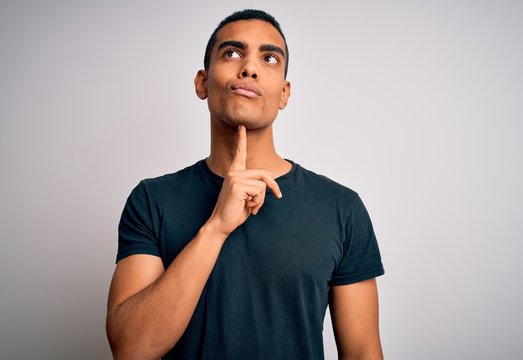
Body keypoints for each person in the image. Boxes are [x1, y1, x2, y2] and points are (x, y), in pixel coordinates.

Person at [106, 9, 384, 360]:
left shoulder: (342, 207)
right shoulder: (151, 200)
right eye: (232, 53)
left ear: (284, 94)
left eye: (269, 58)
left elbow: (362, 353)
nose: (249, 68)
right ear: (202, 83)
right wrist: (216, 228)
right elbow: (131, 349)